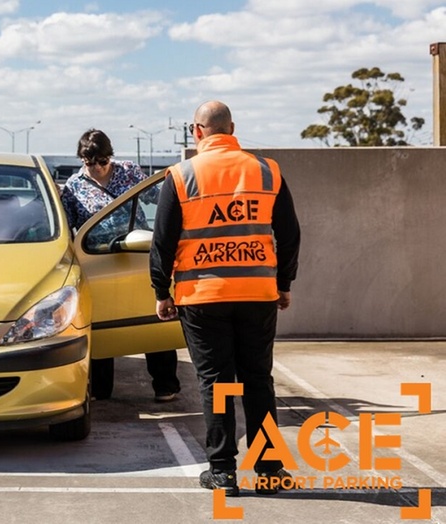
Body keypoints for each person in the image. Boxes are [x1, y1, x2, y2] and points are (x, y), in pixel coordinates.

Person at [149, 101, 301, 496]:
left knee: (216, 382)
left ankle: (222, 472)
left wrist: (160, 291)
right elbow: (289, 233)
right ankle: (268, 469)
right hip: (257, 293)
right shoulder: (266, 171)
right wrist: (283, 282)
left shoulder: (182, 176)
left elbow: (162, 241)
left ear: (196, 131)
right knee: (257, 380)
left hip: (203, 296)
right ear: (232, 127)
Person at [61, 128, 181, 402]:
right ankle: (101, 389)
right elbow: (67, 226)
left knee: (152, 316)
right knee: (102, 321)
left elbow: (160, 199)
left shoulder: (129, 171)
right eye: (89, 163)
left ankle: (165, 383)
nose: (96, 168)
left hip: (136, 253)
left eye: (102, 161)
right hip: (98, 259)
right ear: (82, 160)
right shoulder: (74, 186)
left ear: (110, 157)